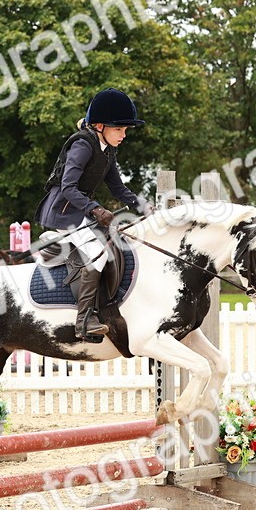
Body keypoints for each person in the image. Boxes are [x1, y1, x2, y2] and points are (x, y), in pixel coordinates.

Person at [34, 88, 151, 342]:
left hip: (80, 209)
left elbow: (118, 188)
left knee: (115, 242)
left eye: (125, 130)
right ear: (99, 126)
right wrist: (96, 209)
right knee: (97, 255)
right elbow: (68, 188)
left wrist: (143, 205)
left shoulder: (108, 150)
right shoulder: (82, 145)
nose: (124, 135)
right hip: (62, 211)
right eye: (119, 129)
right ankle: (83, 321)